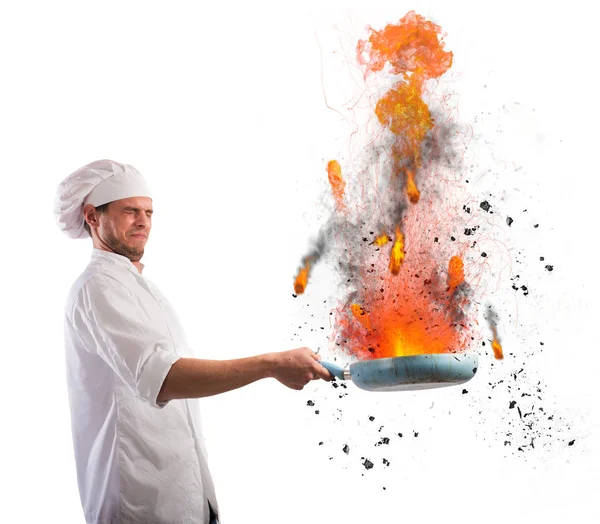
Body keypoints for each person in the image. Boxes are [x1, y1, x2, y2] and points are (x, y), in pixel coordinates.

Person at [54, 159, 332, 524]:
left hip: (184, 499)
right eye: (130, 211)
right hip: (140, 508)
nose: (143, 222)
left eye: (149, 212)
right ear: (92, 217)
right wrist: (272, 364)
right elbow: (166, 378)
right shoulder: (98, 288)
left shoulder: (141, 289)